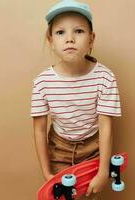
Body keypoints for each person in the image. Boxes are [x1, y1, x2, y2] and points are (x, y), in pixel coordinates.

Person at [30, 0, 122, 199]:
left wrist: (103, 170)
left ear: (91, 39)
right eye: (60, 32)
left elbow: (106, 127)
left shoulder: (105, 78)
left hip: (94, 149)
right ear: (50, 40)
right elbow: (39, 129)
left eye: (78, 31)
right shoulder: (42, 82)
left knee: (89, 196)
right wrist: (46, 172)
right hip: (59, 148)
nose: (69, 39)